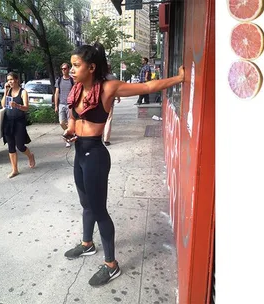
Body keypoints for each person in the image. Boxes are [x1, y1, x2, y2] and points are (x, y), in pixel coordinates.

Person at [62, 42, 184, 287]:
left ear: (92, 66)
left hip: (95, 155)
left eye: (76, 65)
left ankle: (111, 265)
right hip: (79, 152)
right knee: (85, 204)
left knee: (99, 210)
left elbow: (148, 86)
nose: (71, 70)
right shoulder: (77, 90)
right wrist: (70, 130)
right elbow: (74, 119)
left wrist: (179, 78)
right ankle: (87, 244)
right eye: (71, 65)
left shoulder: (108, 88)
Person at [1, 72, 35, 178]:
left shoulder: (23, 92)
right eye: (8, 80)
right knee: (11, 146)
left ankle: (30, 156)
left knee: (20, 146)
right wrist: (5, 92)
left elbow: (26, 107)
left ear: (16, 80)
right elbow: (3, 105)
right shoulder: (8, 91)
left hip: (19, 121)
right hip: (8, 121)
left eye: (11, 79)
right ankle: (14, 170)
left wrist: (17, 105)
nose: (9, 82)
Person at [54, 63, 75, 148]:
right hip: (61, 104)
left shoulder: (72, 80)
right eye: (62, 69)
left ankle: (67, 141)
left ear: (68, 69)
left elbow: (75, 92)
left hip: (70, 105)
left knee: (69, 123)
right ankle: (70, 133)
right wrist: (56, 105)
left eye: (65, 68)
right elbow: (56, 93)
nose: (63, 70)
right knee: (61, 122)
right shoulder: (59, 80)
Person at [103, 62, 121, 146]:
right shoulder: (113, 78)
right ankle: (106, 139)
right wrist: (118, 97)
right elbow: (117, 90)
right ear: (110, 69)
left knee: (99, 119)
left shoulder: (100, 78)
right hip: (110, 102)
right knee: (108, 119)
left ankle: (98, 136)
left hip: (100, 102)